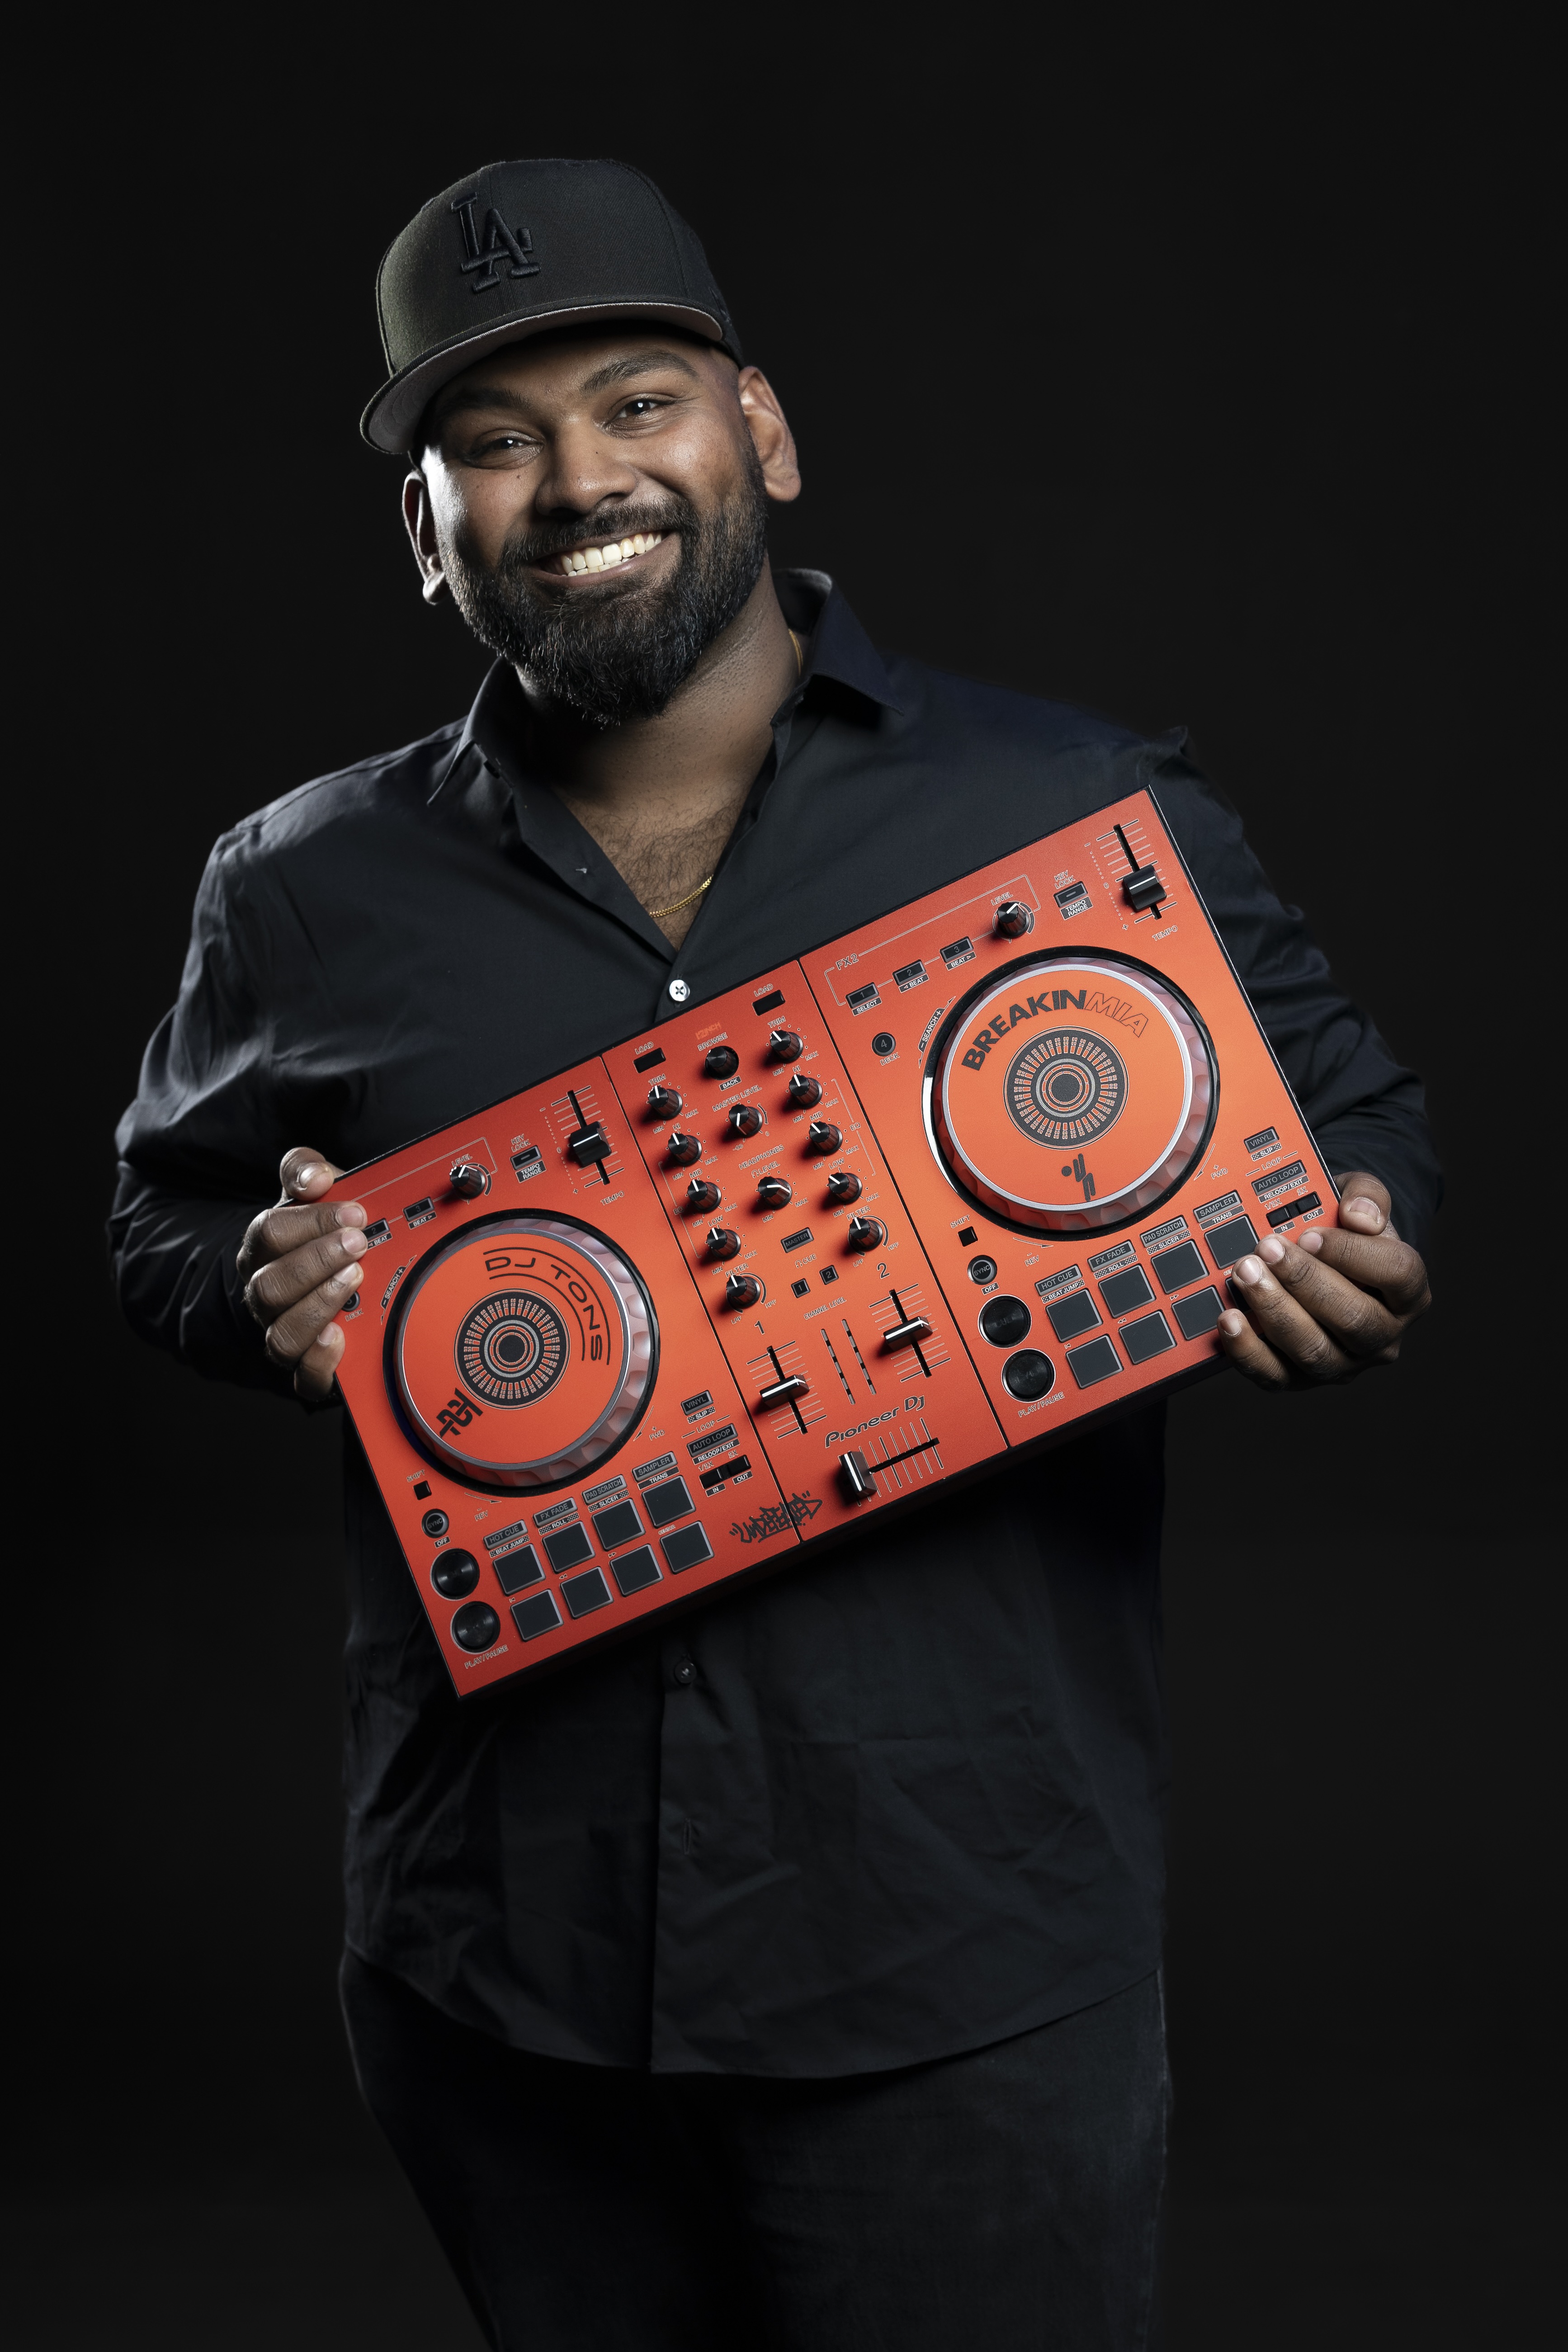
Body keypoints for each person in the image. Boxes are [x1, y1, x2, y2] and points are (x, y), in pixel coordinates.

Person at [110, 157, 1439, 2352]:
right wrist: (253, 1291)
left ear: (765, 433)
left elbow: (1355, 1119)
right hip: (501, 1956)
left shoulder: (1078, 806)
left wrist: (1367, 1247)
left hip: (965, 1945)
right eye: (493, 441)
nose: (577, 482)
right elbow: (160, 1214)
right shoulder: (299, 887)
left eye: (638, 402)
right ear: (426, 529)